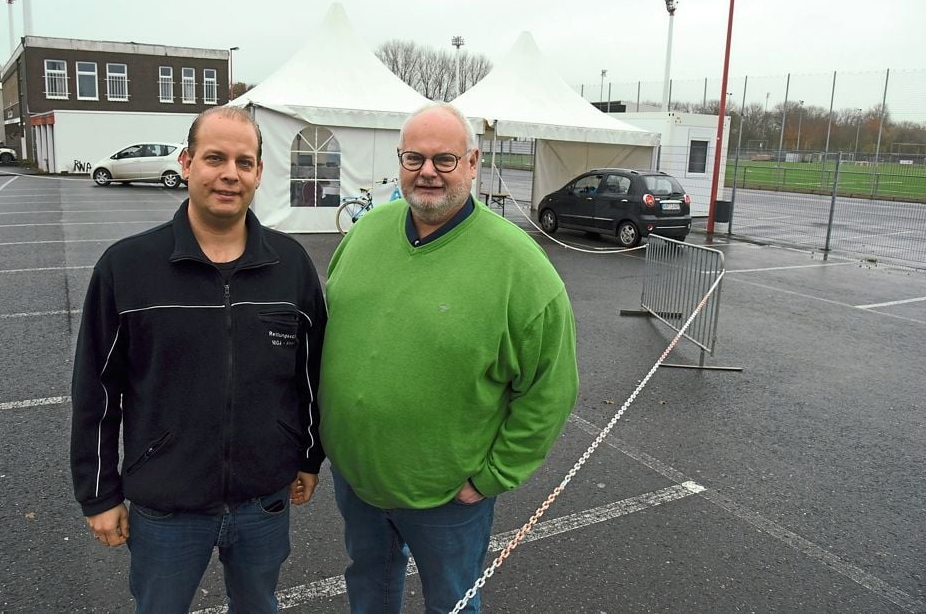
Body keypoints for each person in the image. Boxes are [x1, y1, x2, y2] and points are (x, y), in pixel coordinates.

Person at [319, 102, 579, 613]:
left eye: (445, 159)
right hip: (359, 481)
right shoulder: (367, 233)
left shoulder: (520, 267)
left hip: (448, 496)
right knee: (369, 587)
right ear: (399, 161)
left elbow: (551, 389)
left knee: (451, 603)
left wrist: (492, 478)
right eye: (414, 158)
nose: (428, 172)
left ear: (473, 162)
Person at [70, 106, 326, 614]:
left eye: (244, 161)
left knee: (258, 604)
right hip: (166, 506)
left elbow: (311, 376)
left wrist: (308, 456)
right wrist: (99, 493)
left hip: (264, 501)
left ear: (258, 173)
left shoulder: (290, 265)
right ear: (186, 163)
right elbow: (97, 388)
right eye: (214, 158)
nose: (229, 173)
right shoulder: (128, 266)